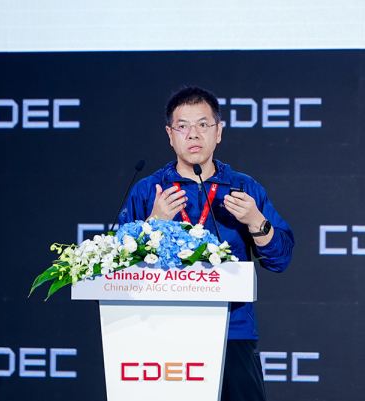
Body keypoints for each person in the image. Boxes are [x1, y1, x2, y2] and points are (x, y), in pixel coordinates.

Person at [118, 86, 294, 401]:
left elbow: (280, 259)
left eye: (203, 124)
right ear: (170, 135)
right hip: (159, 331)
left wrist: (256, 221)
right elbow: (116, 263)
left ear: (218, 132)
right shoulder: (149, 190)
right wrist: (153, 223)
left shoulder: (243, 187)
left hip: (231, 331)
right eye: (183, 126)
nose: (193, 134)